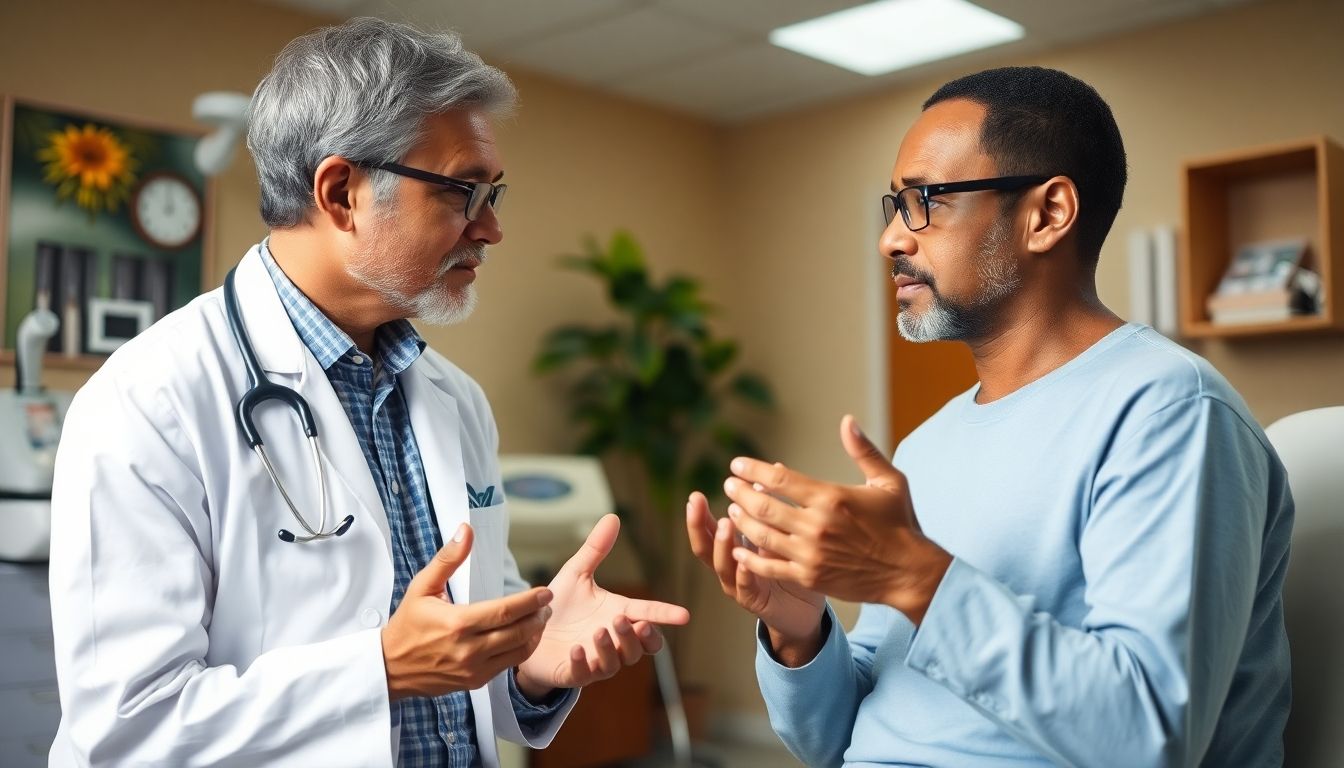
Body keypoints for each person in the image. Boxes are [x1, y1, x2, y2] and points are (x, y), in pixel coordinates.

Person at [48, 17, 688, 767]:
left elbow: (467, 662)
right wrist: (377, 670)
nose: (491, 230)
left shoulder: (455, 401)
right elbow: (124, 732)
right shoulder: (148, 402)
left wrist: (534, 661)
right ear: (342, 191)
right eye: (462, 193)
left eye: (495, 194)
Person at [687, 66, 1292, 767]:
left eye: (925, 201)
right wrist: (799, 632)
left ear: (1047, 214)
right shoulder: (926, 445)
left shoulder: (1170, 410)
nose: (890, 239)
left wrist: (914, 577)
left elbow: (1149, 738)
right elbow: (840, 742)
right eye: (894, 205)